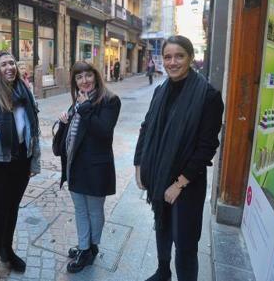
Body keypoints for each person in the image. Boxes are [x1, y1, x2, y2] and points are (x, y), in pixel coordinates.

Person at [134, 35, 224, 281]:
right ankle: (163, 272)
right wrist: (139, 164)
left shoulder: (208, 96)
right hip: (159, 176)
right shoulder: (160, 91)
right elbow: (146, 127)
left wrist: (179, 183)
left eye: (179, 56)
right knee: (162, 228)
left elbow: (207, 147)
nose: (172, 62)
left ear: (191, 58)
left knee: (185, 242)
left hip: (187, 183)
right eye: (167, 57)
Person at [0, 51, 41, 281]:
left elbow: (34, 131)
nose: (9, 67)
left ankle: (7, 252)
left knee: (12, 212)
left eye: (12, 62)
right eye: (3, 64)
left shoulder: (25, 94)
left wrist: (34, 161)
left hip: (20, 163)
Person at [57, 61, 121, 273]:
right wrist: (65, 122)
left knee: (94, 211)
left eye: (88, 75)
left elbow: (103, 132)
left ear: (95, 75)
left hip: (95, 169)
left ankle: (91, 248)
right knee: (80, 210)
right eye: (79, 77)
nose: (84, 81)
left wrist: (84, 109)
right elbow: (70, 138)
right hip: (75, 167)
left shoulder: (110, 101)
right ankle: (84, 246)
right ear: (74, 81)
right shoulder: (77, 101)